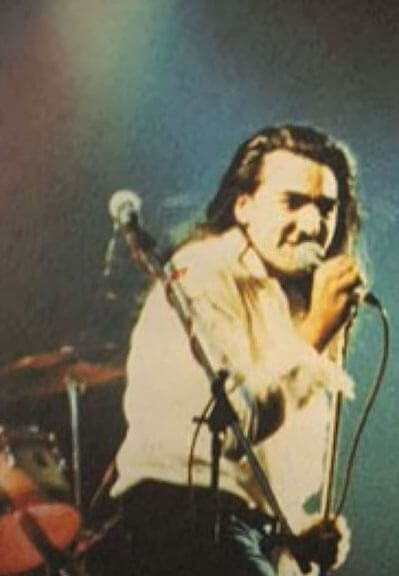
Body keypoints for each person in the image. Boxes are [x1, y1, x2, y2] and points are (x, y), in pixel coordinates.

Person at [106, 124, 364, 575]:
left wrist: (294, 540)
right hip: (179, 516)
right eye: (293, 202)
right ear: (243, 206)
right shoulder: (202, 272)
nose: (312, 225)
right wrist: (315, 335)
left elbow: (267, 473)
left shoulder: (293, 308)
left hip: (242, 533)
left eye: (326, 208)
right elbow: (225, 425)